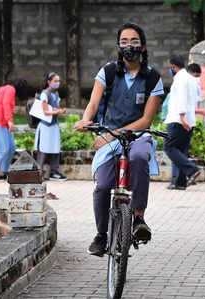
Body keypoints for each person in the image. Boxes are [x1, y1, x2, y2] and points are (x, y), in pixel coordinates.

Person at [75, 23, 164, 256]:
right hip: (110, 136)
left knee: (139, 156)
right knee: (103, 186)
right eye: (124, 41)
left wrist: (112, 135)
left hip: (137, 135)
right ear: (118, 45)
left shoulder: (153, 77)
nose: (129, 45)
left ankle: (138, 218)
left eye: (134, 41)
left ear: (143, 46)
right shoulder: (108, 72)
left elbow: (146, 120)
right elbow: (93, 104)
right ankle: (101, 235)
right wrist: (86, 120)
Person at [164, 55, 201, 190]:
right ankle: (180, 183)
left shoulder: (180, 79)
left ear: (174, 66)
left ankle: (192, 170)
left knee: (169, 148)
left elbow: (181, 98)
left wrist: (182, 117)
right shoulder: (191, 79)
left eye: (170, 67)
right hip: (189, 120)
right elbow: (194, 99)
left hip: (178, 120)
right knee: (181, 150)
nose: (170, 70)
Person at [0, 77, 27, 180]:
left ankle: (3, 171)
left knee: (12, 147)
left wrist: (8, 122)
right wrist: (10, 121)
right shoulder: (10, 89)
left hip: (3, 123)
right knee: (4, 149)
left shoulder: (6, 88)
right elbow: (6, 104)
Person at [34, 72, 66, 181]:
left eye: (58, 81)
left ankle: (54, 172)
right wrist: (57, 112)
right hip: (46, 126)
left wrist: (59, 111)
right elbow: (45, 112)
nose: (57, 83)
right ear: (49, 82)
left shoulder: (56, 94)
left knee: (55, 149)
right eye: (55, 81)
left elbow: (53, 108)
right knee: (43, 149)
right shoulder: (45, 94)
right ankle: (38, 172)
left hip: (54, 125)